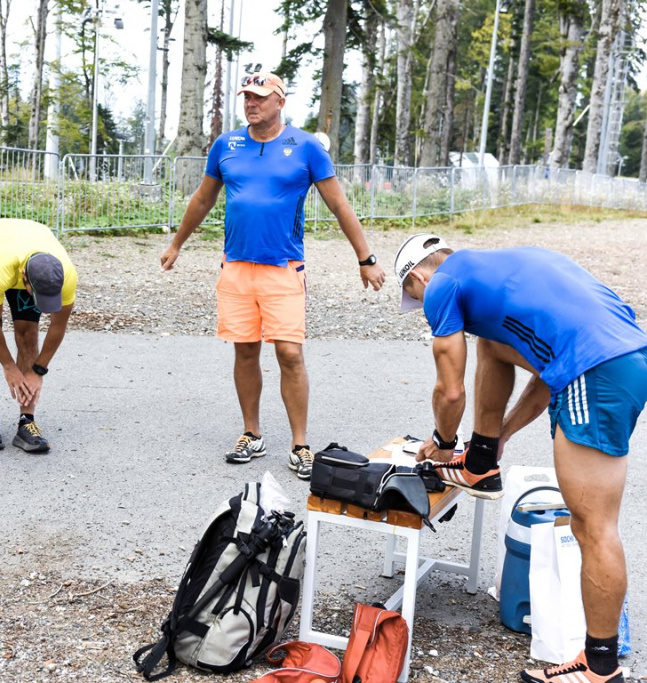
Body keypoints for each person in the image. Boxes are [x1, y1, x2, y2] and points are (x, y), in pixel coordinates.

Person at [396, 233, 647, 683]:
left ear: (417, 276)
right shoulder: (506, 270)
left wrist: (442, 441)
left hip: (595, 370)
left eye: (414, 296)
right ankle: (482, 462)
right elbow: (548, 368)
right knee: (490, 344)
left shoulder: (441, 285)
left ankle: (600, 668)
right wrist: (500, 436)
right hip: (623, 353)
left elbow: (450, 390)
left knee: (593, 526)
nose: (422, 306)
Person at [160, 72, 385, 479]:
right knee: (245, 350)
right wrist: (177, 244)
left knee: (289, 354)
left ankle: (300, 444)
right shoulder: (225, 146)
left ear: (279, 102)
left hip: (284, 268)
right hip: (237, 266)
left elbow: (338, 204)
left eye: (260, 97)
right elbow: (202, 199)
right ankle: (252, 433)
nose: (251, 103)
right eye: (247, 96)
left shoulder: (306, 147)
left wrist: (365, 257)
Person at [0, 219, 77, 453]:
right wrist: (9, 366)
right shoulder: (0, 269)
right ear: (25, 279)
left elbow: (58, 327)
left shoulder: (66, 274)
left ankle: (27, 422)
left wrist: (39, 371)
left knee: (28, 333)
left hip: (29, 249)